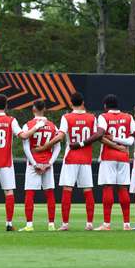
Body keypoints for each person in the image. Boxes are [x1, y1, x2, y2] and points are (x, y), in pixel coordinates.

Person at [0, 93, 39, 231]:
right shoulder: (11, 120)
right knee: (9, 192)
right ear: (6, 105)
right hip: (6, 162)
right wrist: (37, 126)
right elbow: (24, 136)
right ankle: (9, 224)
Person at [49, 91, 103, 231]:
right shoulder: (92, 118)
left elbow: (60, 136)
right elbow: (97, 136)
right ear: (83, 102)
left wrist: (46, 145)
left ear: (71, 103)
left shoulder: (66, 117)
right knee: (88, 190)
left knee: (67, 189)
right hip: (86, 158)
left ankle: (65, 224)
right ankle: (89, 223)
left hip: (71, 157)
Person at [94, 94, 135, 231]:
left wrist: (115, 145)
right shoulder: (128, 117)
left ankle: (107, 224)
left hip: (109, 156)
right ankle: (127, 224)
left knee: (108, 187)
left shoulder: (103, 117)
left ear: (105, 106)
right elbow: (134, 136)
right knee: (123, 188)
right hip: (124, 157)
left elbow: (100, 136)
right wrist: (121, 146)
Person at [19, 99, 60, 232]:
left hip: (33, 164)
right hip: (47, 163)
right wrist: (49, 163)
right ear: (44, 109)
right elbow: (58, 147)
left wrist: (35, 163)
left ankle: (29, 225)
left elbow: (26, 147)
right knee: (50, 193)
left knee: (30, 193)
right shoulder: (53, 126)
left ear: (34, 109)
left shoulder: (28, 125)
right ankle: (51, 225)